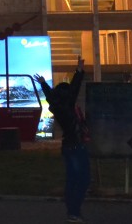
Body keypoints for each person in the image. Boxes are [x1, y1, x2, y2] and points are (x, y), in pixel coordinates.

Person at [34, 57, 89, 224]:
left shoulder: (59, 107)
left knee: (72, 180)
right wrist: (79, 71)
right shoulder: (67, 106)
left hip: (69, 146)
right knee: (82, 180)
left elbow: (52, 96)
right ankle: (73, 212)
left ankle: (72, 212)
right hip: (76, 146)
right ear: (66, 95)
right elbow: (74, 89)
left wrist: (44, 84)